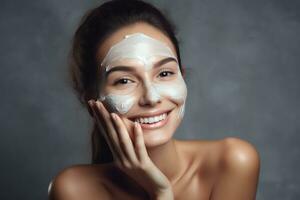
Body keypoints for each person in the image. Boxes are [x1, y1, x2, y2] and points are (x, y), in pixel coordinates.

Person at [48, 0, 260, 199]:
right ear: (91, 102)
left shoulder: (232, 162)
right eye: (124, 80)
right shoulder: (74, 190)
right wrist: (160, 191)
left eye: (165, 74)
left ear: (182, 76)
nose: (151, 97)